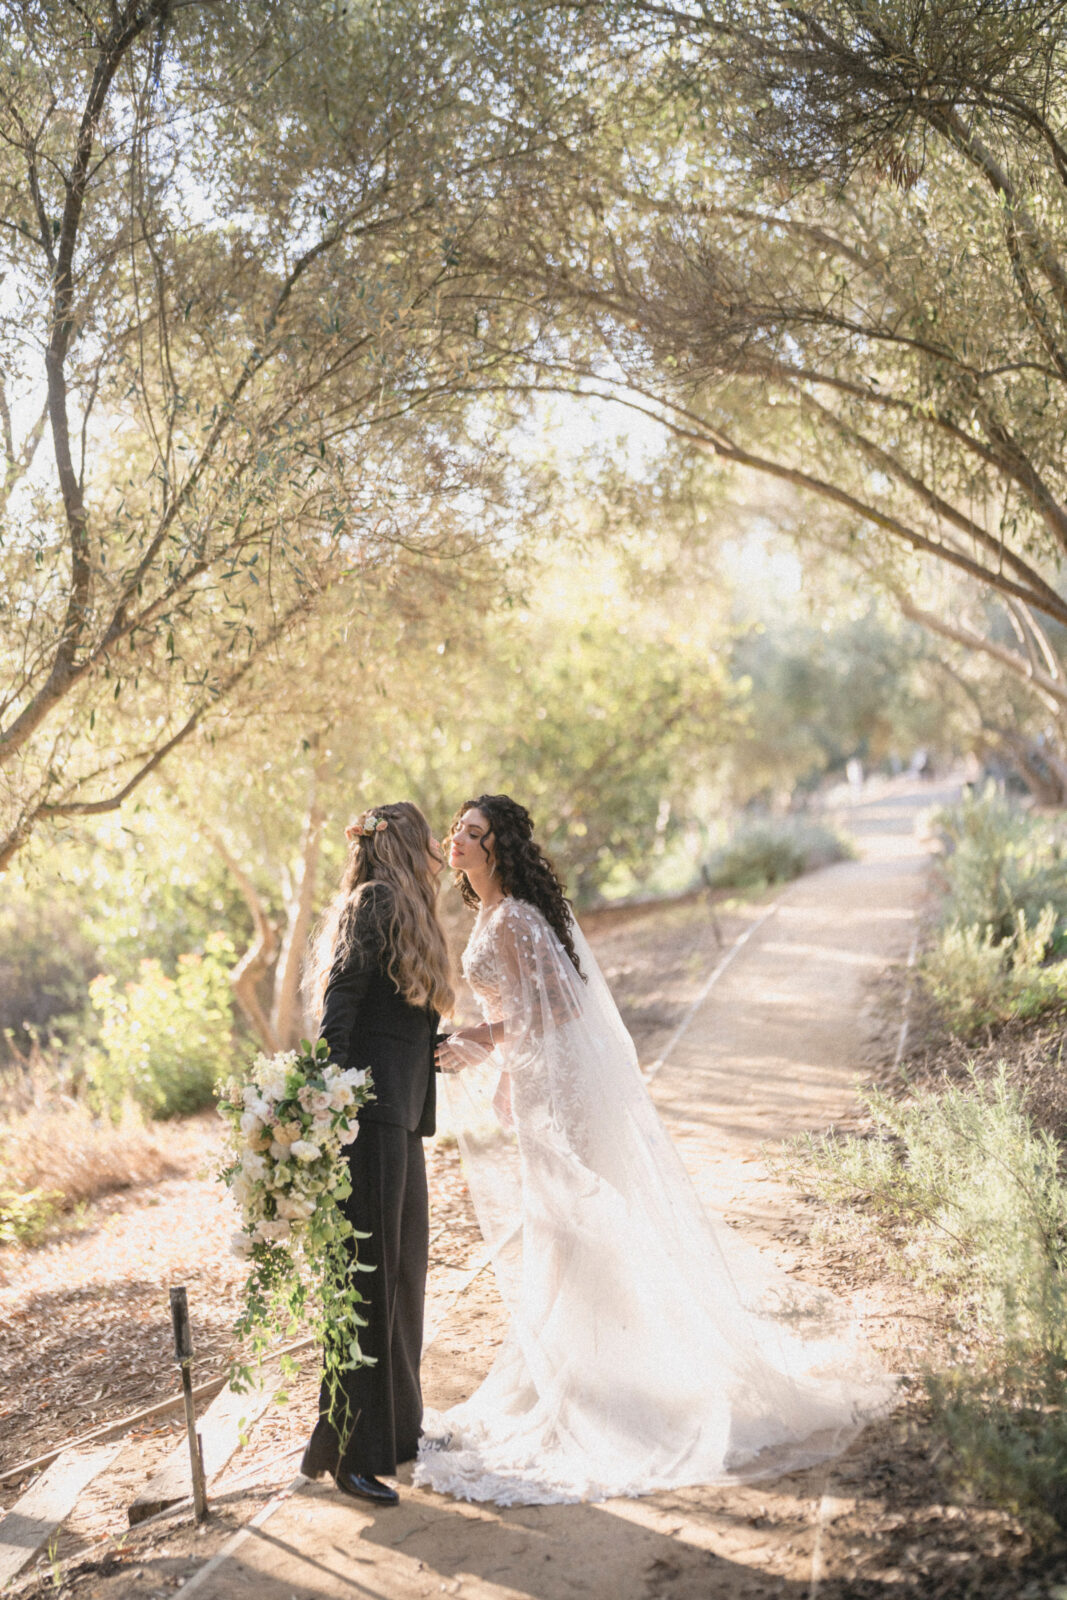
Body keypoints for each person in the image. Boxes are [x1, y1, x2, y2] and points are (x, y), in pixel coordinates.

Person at [415, 794, 895, 1507]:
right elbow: (520, 1013)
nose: (457, 839)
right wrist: (503, 1071)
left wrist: (477, 1044)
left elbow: (562, 1009)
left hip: (566, 1094)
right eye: (457, 828)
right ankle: (580, 1377)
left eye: (473, 833)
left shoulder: (513, 915)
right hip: (541, 1085)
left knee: (575, 1223)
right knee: (556, 1227)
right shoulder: (490, 913)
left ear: (499, 848)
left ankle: (610, 1388)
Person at [299, 800, 452, 1506]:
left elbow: (399, 1017)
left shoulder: (405, 906)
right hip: (366, 1120)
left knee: (402, 1278)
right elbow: (340, 1006)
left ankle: (397, 1432)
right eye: (430, 840)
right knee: (366, 1283)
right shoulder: (372, 902)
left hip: (399, 1117)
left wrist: (438, 1050)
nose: (439, 851)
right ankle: (350, 1456)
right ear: (405, 846)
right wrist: (332, 1115)